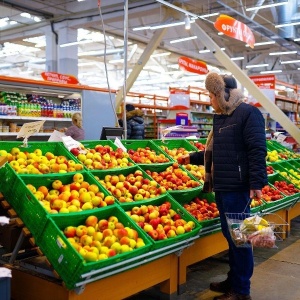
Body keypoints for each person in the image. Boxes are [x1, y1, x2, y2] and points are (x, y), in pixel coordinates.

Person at [178, 72, 267, 300]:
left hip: (238, 188)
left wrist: (256, 181)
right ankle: (233, 280)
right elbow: (217, 152)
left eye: (211, 95)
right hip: (223, 187)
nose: (209, 100)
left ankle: (241, 291)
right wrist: (192, 158)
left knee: (241, 239)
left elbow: (257, 149)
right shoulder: (223, 117)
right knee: (231, 237)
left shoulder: (248, 114)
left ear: (223, 94)